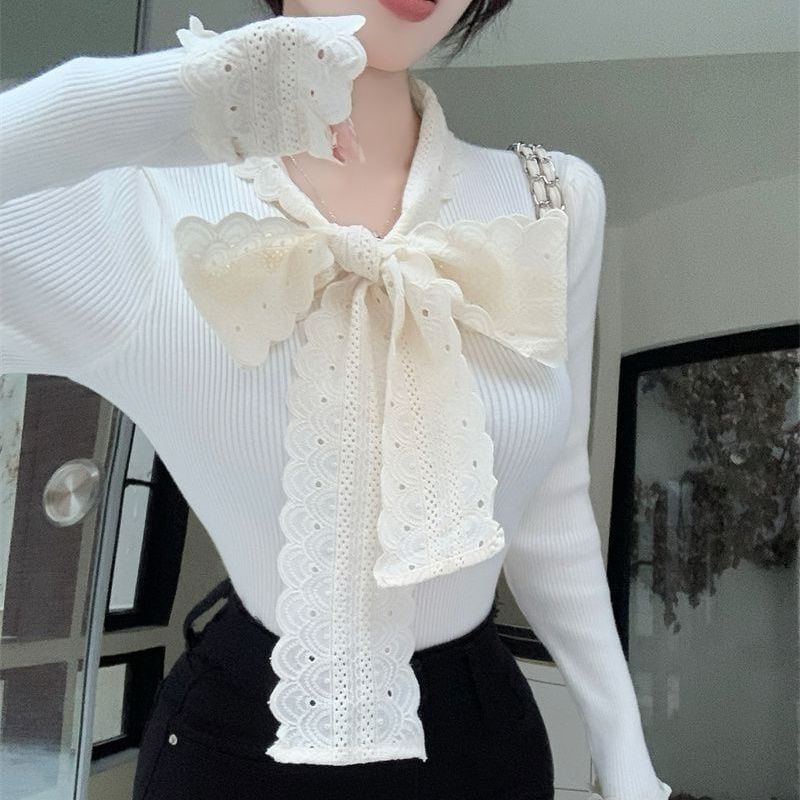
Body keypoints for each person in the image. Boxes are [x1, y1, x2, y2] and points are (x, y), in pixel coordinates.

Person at [0, 1, 673, 798]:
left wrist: (625, 754)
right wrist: (186, 94)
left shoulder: (552, 200)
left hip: (483, 742)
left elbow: (551, 506)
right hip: (235, 748)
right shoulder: (141, 209)